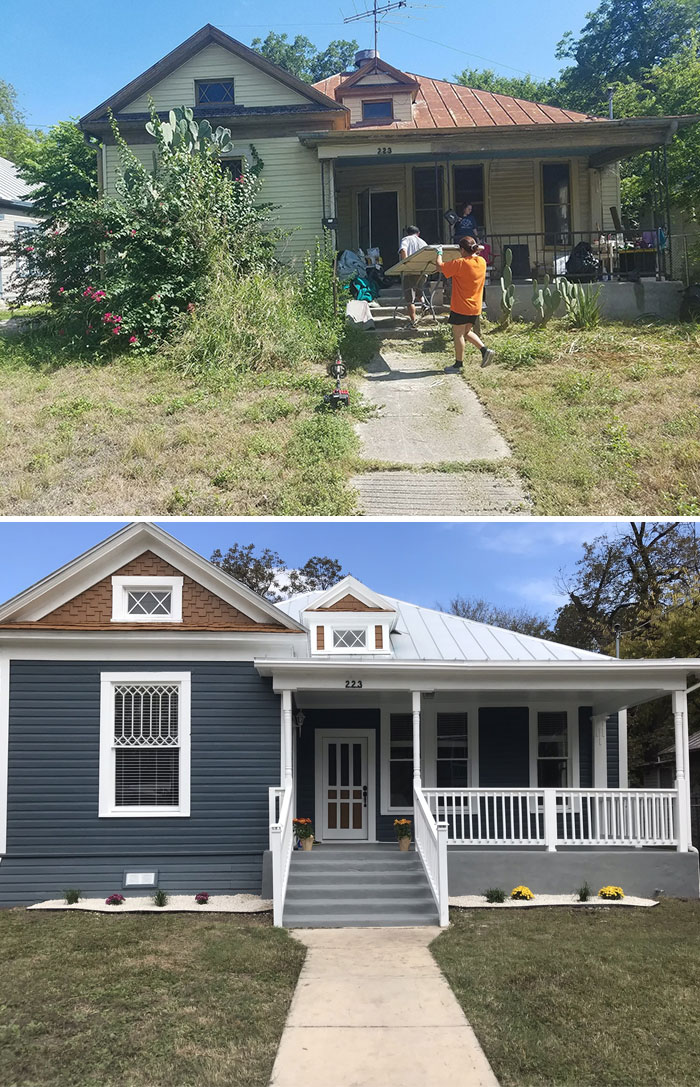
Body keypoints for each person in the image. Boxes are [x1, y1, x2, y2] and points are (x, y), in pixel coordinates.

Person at [436, 236, 494, 371]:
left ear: (462, 250)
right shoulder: (481, 261)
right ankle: (485, 351)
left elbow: (439, 266)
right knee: (466, 332)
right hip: (475, 306)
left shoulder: (460, 263)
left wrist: (439, 253)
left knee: (458, 335)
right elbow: (475, 251)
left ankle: (458, 364)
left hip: (461, 306)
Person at [398, 225, 428, 329]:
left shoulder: (406, 239)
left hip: (410, 271)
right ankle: (424, 305)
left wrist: (406, 263)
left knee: (410, 298)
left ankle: (413, 321)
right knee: (419, 290)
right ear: (418, 233)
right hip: (422, 271)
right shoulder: (422, 242)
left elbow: (403, 250)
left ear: (408, 233)